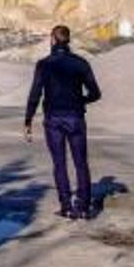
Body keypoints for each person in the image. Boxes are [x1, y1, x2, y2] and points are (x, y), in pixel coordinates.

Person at [24, 25, 102, 219]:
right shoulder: (81, 63)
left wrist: (28, 120)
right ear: (68, 40)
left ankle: (66, 206)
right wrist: (80, 100)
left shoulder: (44, 64)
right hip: (75, 117)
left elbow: (35, 94)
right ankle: (83, 207)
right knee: (81, 163)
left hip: (53, 119)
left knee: (59, 163)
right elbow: (96, 94)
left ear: (52, 39)